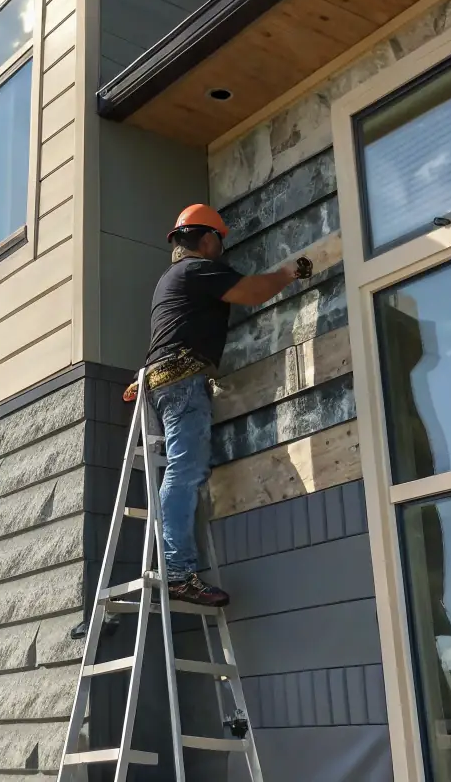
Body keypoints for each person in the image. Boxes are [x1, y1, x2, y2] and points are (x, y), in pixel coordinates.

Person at [140, 203, 311, 606]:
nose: (221, 248)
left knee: (183, 469)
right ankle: (178, 571)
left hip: (165, 381)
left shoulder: (172, 278)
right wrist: (290, 272)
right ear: (205, 238)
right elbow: (251, 292)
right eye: (219, 240)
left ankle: (175, 564)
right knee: (185, 469)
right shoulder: (198, 271)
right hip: (182, 381)